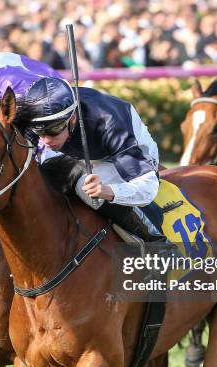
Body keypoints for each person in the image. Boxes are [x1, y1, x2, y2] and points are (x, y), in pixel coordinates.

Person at [15, 76, 172, 244]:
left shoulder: (111, 125)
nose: (45, 140)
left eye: (53, 130)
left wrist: (107, 191)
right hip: (79, 152)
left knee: (86, 188)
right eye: (40, 132)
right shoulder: (34, 114)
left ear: (73, 118)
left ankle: (157, 242)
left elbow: (147, 186)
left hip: (127, 154)